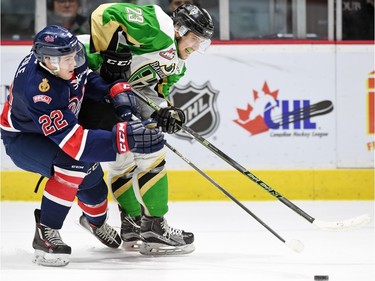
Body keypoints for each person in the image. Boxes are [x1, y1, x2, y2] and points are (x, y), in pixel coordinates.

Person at [0, 25, 165, 266]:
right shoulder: (39, 91)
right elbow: (75, 145)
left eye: (74, 57)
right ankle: (46, 232)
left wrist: (111, 91)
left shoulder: (64, 61)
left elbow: (85, 79)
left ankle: (95, 222)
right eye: (65, 60)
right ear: (46, 60)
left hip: (54, 130)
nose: (72, 64)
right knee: (74, 163)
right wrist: (125, 138)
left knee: (93, 183)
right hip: (24, 138)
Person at [78, 3, 214, 255]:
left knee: (124, 157)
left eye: (201, 42)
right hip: (81, 78)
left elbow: (154, 92)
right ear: (178, 29)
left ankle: (132, 223)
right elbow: (105, 13)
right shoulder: (158, 29)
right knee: (151, 151)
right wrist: (109, 54)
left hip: (109, 94)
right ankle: (155, 227)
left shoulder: (178, 64)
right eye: (194, 38)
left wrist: (165, 111)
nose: (196, 47)